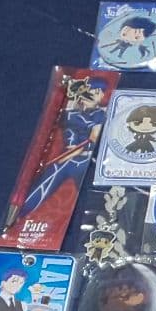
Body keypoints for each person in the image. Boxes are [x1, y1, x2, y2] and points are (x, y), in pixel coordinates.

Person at [20, 77, 109, 218]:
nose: (96, 94)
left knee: (100, 197)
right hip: (68, 159)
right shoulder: (70, 115)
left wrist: (70, 154)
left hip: (85, 160)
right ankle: (19, 216)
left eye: (98, 91)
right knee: (46, 182)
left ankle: (106, 219)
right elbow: (69, 137)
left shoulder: (99, 114)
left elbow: (93, 138)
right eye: (93, 90)